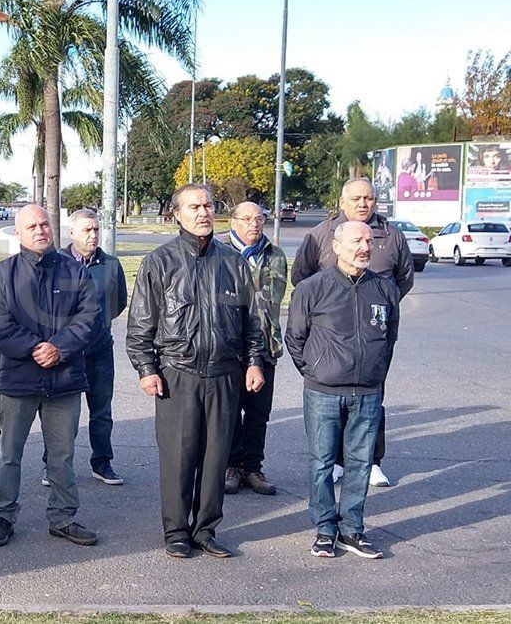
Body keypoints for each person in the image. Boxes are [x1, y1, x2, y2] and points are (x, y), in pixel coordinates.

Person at [126, 184, 266, 559]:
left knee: (216, 457)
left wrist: (253, 361)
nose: (203, 212)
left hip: (224, 375)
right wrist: (146, 369)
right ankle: (176, 531)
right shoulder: (159, 262)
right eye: (194, 207)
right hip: (177, 375)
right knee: (179, 458)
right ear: (177, 214)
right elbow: (140, 326)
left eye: (207, 205)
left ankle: (205, 529)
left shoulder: (233, 263)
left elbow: (252, 322)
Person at [0, 204, 101, 548]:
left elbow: (88, 318)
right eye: (31, 226)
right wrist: (38, 347)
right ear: (17, 233)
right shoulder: (1, 274)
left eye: (45, 224)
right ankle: (3, 516)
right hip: (18, 380)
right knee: (9, 453)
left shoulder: (75, 272)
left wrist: (59, 348)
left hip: (64, 380)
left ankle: (63, 517)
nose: (40, 231)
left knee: (62, 455)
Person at [286, 221, 399, 560]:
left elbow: (389, 340)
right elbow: (295, 339)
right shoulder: (312, 288)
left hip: (367, 393)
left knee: (361, 463)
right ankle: (324, 529)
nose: (364, 247)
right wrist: (317, 372)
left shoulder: (386, 290)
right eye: (355, 241)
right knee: (321, 463)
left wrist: (375, 377)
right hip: (323, 391)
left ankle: (352, 529)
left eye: (368, 240)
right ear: (337, 246)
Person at [291, 177, 413, 487]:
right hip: (331, 337)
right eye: (356, 198)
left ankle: (371, 461)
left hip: (373, 332)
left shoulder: (391, 236)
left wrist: (379, 306)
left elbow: (404, 279)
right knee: (331, 408)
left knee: (373, 402)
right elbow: (302, 278)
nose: (363, 204)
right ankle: (335, 462)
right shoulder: (321, 234)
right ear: (343, 201)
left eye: (369, 198)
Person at [49, 208, 128, 487]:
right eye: (87, 230)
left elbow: (118, 304)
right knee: (61, 414)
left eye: (96, 229)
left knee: (101, 410)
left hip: (100, 350)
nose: (93, 234)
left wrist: (98, 325)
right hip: (65, 353)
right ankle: (54, 465)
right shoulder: (55, 262)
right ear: (72, 233)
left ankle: (102, 462)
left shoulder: (111, 264)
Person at [221, 202, 287, 496]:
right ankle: (231, 465)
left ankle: (253, 467)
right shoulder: (220, 255)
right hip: (230, 348)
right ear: (233, 221)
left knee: (259, 412)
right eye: (246, 219)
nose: (254, 224)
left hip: (266, 348)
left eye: (259, 219)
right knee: (231, 412)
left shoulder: (275, 255)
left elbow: (273, 301)